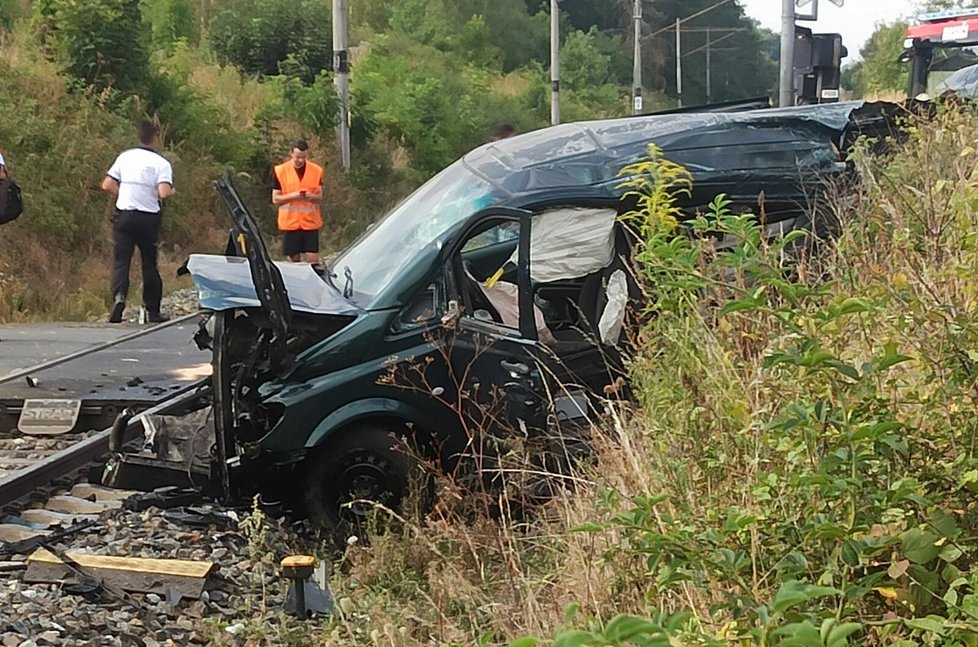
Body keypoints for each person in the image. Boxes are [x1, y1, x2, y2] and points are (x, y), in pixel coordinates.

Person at [100, 121, 173, 324]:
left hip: (124, 214)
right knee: (149, 263)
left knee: (121, 261)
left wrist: (122, 192)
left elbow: (107, 184)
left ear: (139, 137)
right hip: (148, 218)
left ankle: (119, 297)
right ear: (155, 138)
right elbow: (164, 193)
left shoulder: (125, 157)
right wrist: (169, 192)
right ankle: (153, 310)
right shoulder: (161, 163)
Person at [272, 140, 324, 263]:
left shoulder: (316, 170)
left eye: (303, 157)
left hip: (310, 222)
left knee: (313, 260)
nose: (300, 160)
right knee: (294, 261)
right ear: (291, 154)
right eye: (297, 157)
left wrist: (311, 196)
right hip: (290, 223)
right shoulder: (281, 171)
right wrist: (294, 196)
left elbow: (320, 197)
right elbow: (275, 199)